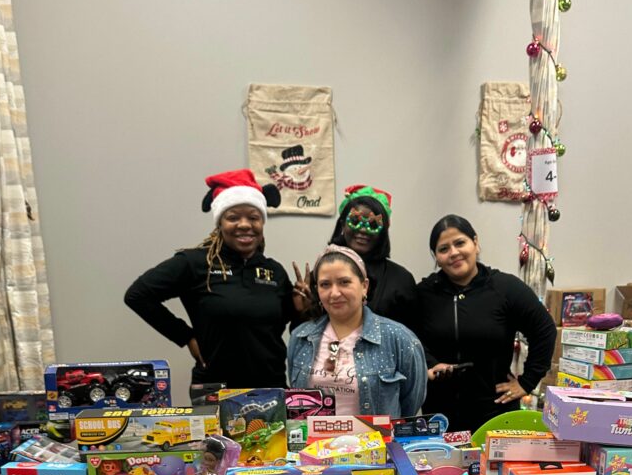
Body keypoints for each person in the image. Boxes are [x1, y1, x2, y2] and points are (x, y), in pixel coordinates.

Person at [125, 169, 311, 395]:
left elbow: (286, 330)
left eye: (253, 217)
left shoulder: (274, 271)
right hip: (214, 390)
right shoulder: (195, 263)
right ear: (220, 223)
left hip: (270, 387)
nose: (245, 225)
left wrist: (302, 311)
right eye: (233, 218)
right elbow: (137, 295)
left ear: (262, 222)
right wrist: (186, 336)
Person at [415, 215, 556, 433]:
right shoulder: (423, 294)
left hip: (494, 412)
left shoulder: (505, 287)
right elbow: (409, 339)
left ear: (475, 243)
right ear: (436, 256)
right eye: (444, 249)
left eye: (460, 243)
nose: (454, 252)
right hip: (440, 415)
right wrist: (429, 364)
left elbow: (544, 329)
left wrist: (527, 382)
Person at [288, 245, 426, 419]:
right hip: (314, 437)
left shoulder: (399, 338)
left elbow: (410, 403)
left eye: (344, 282)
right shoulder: (300, 337)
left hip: (376, 438)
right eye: (325, 284)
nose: (334, 293)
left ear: (364, 286)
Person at [328, 185, 416, 325]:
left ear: (383, 231)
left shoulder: (401, 279)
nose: (363, 230)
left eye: (373, 225)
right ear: (343, 224)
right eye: (355, 221)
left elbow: (411, 334)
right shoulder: (324, 272)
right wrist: (304, 311)